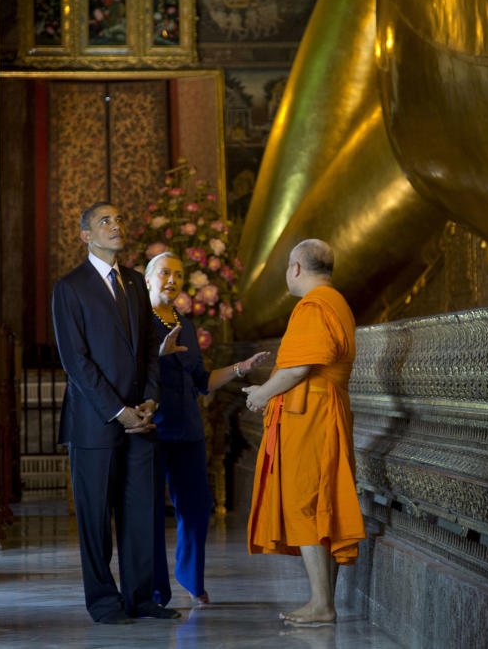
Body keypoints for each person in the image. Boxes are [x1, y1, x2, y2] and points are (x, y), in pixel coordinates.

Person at [52, 202, 182, 625]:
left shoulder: (133, 283)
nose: (116, 225)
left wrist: (148, 401)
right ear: (86, 235)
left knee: (141, 512)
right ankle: (104, 601)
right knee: (95, 517)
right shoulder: (69, 287)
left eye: (119, 218)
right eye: (105, 221)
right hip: (96, 422)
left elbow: (148, 351)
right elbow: (76, 361)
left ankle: (141, 598)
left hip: (141, 419)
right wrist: (118, 411)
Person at [244, 239, 366, 625]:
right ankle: (322, 601)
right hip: (322, 408)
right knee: (320, 501)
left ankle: (321, 604)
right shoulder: (337, 302)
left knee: (306, 502)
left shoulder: (313, 306)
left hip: (311, 412)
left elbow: (299, 369)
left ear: (296, 267)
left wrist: (261, 393)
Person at [143, 251, 268, 607]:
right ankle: (154, 590)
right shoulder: (137, 323)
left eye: (178, 276)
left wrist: (240, 368)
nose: (172, 280)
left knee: (198, 507)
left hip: (188, 430)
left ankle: (191, 579)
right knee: (150, 511)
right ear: (149, 279)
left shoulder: (189, 325)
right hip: (151, 429)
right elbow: (130, 376)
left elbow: (201, 380)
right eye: (165, 273)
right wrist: (159, 356)